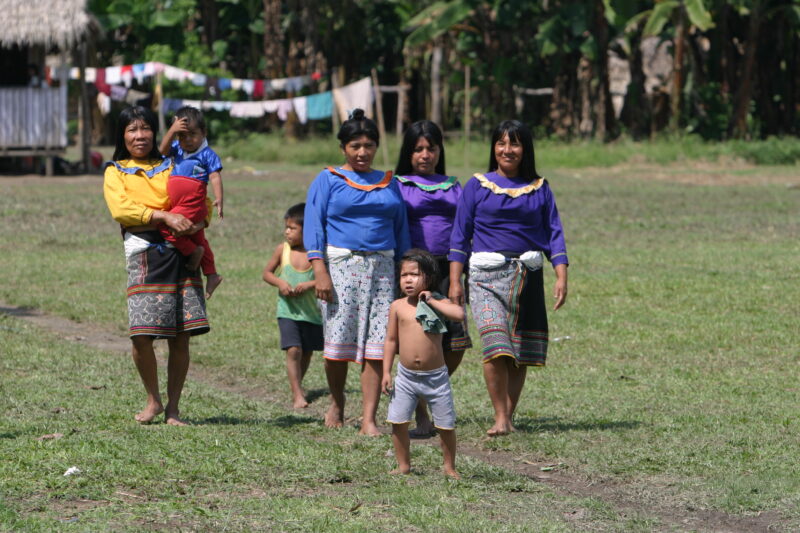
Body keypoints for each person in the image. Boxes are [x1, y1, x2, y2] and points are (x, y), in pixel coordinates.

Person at [449, 120, 569, 436]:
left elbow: (553, 233)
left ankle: (508, 416)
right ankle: (499, 416)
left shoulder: (540, 188)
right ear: (493, 148)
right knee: (496, 345)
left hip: (527, 277)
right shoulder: (477, 185)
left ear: (525, 149)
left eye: (514, 144)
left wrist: (561, 274)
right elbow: (460, 235)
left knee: (520, 352)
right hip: (484, 278)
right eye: (501, 143)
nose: (507, 150)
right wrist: (453, 283)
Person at [304, 108, 411, 434]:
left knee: (379, 346)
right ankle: (337, 402)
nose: (362, 152)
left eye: (369, 145)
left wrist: (405, 272)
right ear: (343, 149)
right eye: (355, 146)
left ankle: (368, 418)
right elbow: (313, 225)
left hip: (383, 271)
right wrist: (319, 271)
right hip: (341, 270)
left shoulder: (389, 183)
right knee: (337, 346)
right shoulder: (328, 179)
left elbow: (401, 228)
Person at [103, 105, 211, 426]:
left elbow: (197, 199)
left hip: (182, 250)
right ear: (122, 136)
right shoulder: (116, 171)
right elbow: (122, 209)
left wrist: (194, 223)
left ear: (155, 131)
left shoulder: (175, 165)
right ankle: (154, 399)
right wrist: (163, 215)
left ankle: (174, 408)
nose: (140, 136)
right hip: (143, 251)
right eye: (132, 130)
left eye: (145, 128)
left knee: (181, 335)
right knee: (141, 334)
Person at [395, 120, 472, 437]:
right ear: (409, 153)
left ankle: (428, 390)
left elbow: (465, 227)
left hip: (449, 268)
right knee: (417, 339)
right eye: (418, 149)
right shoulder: (397, 184)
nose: (425, 155)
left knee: (455, 340)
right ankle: (423, 416)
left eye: (431, 148)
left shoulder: (454, 185)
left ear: (440, 150)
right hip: (412, 269)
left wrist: (459, 272)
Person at [382, 249, 462, 479]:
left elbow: (457, 314)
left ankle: (449, 467)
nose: (408, 279)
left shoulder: (438, 300)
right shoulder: (397, 306)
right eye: (403, 275)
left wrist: (433, 301)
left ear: (429, 276)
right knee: (398, 423)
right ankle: (404, 465)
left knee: (446, 426)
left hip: (435, 378)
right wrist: (386, 371)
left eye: (414, 274)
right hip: (406, 376)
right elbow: (391, 340)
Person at [158, 106, 224, 299]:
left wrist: (219, 198)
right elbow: (161, 150)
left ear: (204, 133)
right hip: (186, 206)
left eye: (192, 135)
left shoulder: (207, 154)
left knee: (164, 225)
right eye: (182, 136)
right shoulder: (177, 149)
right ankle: (212, 274)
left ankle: (193, 252)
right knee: (200, 238)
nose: (187, 140)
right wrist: (172, 131)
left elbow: (215, 177)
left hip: (192, 204)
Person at [262, 202, 322, 408]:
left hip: (311, 313)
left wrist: (310, 284)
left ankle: (298, 385)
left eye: (293, 228)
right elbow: (267, 273)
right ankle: (297, 394)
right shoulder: (283, 250)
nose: (287, 232)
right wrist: (280, 282)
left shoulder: (317, 254)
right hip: (287, 311)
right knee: (293, 349)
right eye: (286, 227)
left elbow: (326, 279)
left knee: (306, 352)